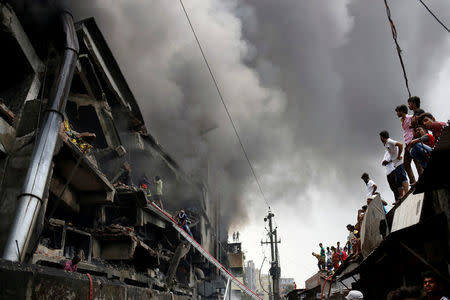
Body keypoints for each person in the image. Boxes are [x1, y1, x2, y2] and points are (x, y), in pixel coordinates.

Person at [396, 104, 422, 183]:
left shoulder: (410, 117)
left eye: (398, 111)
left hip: (412, 141)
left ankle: (421, 178)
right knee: (406, 164)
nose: (397, 113)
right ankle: (413, 181)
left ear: (402, 111)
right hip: (407, 143)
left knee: (416, 161)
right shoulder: (402, 121)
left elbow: (418, 122)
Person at [380, 131, 408, 199]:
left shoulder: (389, 141)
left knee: (402, 177)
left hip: (399, 162)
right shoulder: (386, 144)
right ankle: (401, 196)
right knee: (398, 181)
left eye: (380, 137)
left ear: (382, 137)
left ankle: (407, 193)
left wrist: (399, 155)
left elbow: (400, 145)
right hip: (395, 164)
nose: (380, 139)